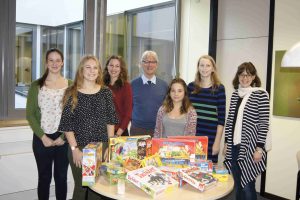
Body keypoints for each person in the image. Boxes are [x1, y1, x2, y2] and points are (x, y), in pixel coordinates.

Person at [58, 55, 118, 200]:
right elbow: (67, 125)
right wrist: (74, 150)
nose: (92, 71)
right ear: (81, 70)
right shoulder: (71, 92)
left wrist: (110, 146)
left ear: (99, 71)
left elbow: (111, 121)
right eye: (88, 67)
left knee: (97, 188)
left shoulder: (106, 92)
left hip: (101, 147)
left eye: (95, 67)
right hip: (79, 148)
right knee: (81, 187)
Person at [26, 48, 71, 200]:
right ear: (46, 63)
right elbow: (30, 114)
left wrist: (64, 137)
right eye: (51, 60)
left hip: (63, 139)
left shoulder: (70, 85)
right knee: (44, 178)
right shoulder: (36, 85)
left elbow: (74, 114)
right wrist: (42, 136)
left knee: (61, 178)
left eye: (58, 60)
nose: (54, 63)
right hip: (41, 138)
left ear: (62, 62)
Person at [223, 62, 270, 200]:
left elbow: (263, 123)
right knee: (237, 183)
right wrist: (226, 142)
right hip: (234, 146)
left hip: (251, 147)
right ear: (238, 76)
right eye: (242, 74)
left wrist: (259, 149)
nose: (245, 78)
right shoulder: (235, 95)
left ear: (254, 77)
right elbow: (230, 120)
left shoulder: (261, 95)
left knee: (248, 184)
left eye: (248, 75)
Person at [187, 55, 226, 163]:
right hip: (192, 136)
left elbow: (221, 119)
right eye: (202, 65)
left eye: (208, 65)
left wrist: (217, 143)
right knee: (191, 170)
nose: (204, 68)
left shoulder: (219, 88)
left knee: (208, 173)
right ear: (198, 67)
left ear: (213, 68)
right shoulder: (190, 87)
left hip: (211, 138)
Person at [130, 50, 168, 137]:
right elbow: (129, 107)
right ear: (141, 64)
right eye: (146, 61)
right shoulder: (132, 84)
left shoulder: (164, 85)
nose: (149, 65)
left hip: (158, 130)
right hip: (137, 130)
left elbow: (167, 108)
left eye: (153, 62)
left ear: (157, 64)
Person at [103, 55, 132, 136]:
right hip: (103, 132)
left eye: (117, 66)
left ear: (121, 69)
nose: (113, 69)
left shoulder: (126, 86)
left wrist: (117, 134)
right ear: (107, 67)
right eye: (111, 65)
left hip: (119, 132)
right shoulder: (101, 85)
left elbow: (128, 113)